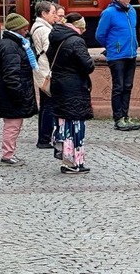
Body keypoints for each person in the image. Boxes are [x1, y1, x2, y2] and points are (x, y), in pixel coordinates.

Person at [47, 13, 95, 174]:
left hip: (58, 85)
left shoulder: (55, 38)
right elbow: (87, 65)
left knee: (63, 123)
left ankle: (66, 159)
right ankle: (76, 162)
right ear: (78, 26)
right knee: (76, 124)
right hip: (74, 87)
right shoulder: (76, 41)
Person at [0, 13, 38, 165]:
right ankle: (7, 155)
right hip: (11, 94)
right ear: (17, 29)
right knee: (12, 126)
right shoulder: (11, 46)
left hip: (9, 92)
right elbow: (12, 75)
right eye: (24, 29)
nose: (27, 31)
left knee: (13, 125)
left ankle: (9, 153)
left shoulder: (12, 43)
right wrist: (18, 95)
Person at [96, 0, 140, 131]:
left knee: (128, 86)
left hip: (131, 54)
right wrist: (112, 47)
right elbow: (100, 35)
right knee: (119, 87)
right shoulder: (109, 13)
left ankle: (126, 115)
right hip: (117, 56)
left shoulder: (132, 11)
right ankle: (118, 117)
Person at [30, 1, 57, 149]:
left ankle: (43, 138)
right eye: (53, 13)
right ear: (44, 14)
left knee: (46, 104)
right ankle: (44, 138)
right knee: (49, 105)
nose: (55, 16)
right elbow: (50, 50)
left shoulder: (37, 26)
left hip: (41, 69)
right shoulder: (45, 30)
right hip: (46, 70)